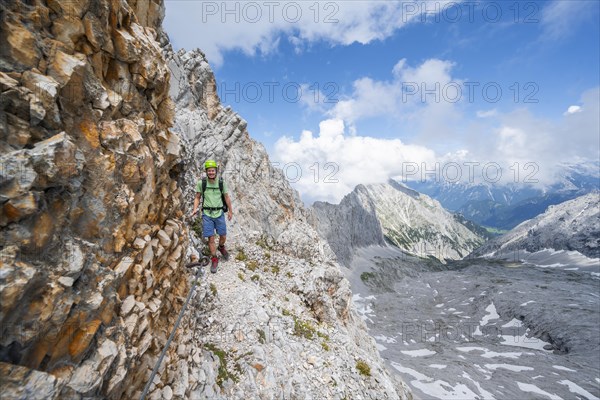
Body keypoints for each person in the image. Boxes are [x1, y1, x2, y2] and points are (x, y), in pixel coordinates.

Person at [190, 160, 233, 273]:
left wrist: (230, 211)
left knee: (223, 235)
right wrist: (195, 209)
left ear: (216, 171)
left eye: (213, 170)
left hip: (219, 213)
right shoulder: (202, 183)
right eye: (209, 171)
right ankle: (214, 258)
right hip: (207, 214)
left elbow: (227, 197)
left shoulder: (221, 182)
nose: (211, 173)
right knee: (211, 238)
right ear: (206, 171)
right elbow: (197, 197)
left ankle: (221, 247)